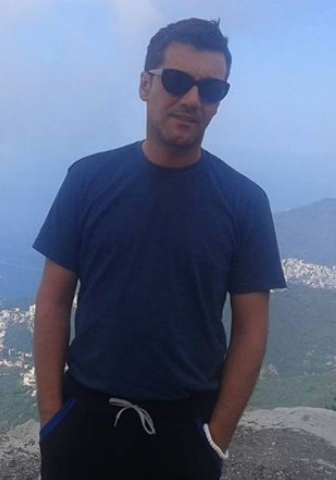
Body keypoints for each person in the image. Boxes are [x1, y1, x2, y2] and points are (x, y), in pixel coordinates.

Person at [32, 17, 286, 480]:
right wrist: (53, 423)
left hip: (185, 431)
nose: (192, 99)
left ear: (218, 103)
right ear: (145, 84)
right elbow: (53, 299)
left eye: (211, 89)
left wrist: (215, 440)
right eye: (176, 80)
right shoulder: (87, 180)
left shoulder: (244, 202)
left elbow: (252, 327)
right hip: (84, 421)